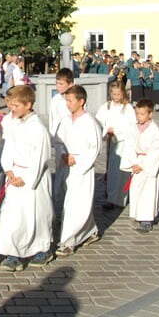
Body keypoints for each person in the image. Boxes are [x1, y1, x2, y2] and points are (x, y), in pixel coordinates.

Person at [0, 85, 53, 271]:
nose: (12, 108)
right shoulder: (15, 123)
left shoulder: (38, 128)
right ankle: (13, 254)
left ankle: (42, 249)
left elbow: (41, 157)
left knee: (35, 215)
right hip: (14, 175)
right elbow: (8, 147)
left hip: (32, 179)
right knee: (12, 216)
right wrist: (8, 169)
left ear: (28, 105)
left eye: (16, 105)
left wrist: (26, 178)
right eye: (10, 105)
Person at [54, 85, 101, 254]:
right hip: (66, 165)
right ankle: (90, 231)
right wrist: (63, 154)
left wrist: (78, 160)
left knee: (76, 205)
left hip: (82, 169)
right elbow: (58, 141)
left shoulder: (90, 122)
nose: (68, 104)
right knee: (70, 202)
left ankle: (68, 241)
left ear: (81, 101)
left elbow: (94, 148)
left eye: (70, 101)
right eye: (66, 101)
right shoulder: (65, 120)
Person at [119, 98, 159, 233]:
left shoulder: (154, 130)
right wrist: (133, 162)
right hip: (136, 160)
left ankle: (147, 219)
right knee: (136, 190)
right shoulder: (133, 128)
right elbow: (129, 145)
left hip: (148, 164)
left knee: (148, 192)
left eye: (142, 114)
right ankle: (138, 214)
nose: (139, 117)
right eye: (137, 113)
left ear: (150, 114)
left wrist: (143, 164)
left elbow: (156, 151)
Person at [95, 82, 135, 210]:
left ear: (123, 93)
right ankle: (111, 197)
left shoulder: (128, 108)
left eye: (118, 94)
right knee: (112, 171)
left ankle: (122, 197)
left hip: (124, 142)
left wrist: (117, 131)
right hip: (111, 141)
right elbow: (98, 121)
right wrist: (106, 131)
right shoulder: (106, 106)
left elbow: (131, 126)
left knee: (122, 171)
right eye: (114, 94)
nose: (116, 97)